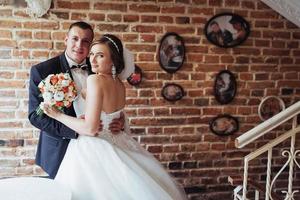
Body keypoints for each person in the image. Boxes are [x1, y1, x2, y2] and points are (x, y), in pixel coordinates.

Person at [42, 34, 188, 200]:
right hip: (118, 141)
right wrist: (120, 121)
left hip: (93, 147)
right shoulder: (120, 84)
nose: (93, 60)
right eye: (92, 54)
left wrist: (57, 115)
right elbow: (114, 113)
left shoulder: (95, 80)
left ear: (113, 61)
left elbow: (90, 128)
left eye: (101, 55)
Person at [28, 21, 125, 179]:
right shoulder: (43, 70)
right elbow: (35, 116)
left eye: (86, 41)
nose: (79, 45)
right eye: (75, 39)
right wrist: (76, 130)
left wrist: (119, 120)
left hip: (99, 149)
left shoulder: (98, 66)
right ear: (66, 40)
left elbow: (110, 103)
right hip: (59, 148)